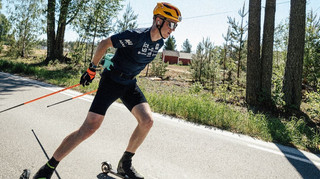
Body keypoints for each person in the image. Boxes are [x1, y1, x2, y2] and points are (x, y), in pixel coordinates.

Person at [32, 2, 181, 179]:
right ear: (158, 20)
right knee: (89, 128)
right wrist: (91, 69)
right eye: (170, 23)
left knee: (147, 121)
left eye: (175, 25)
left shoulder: (160, 43)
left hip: (129, 84)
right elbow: (105, 43)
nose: (173, 29)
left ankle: (125, 164)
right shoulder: (136, 36)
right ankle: (47, 169)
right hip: (111, 81)